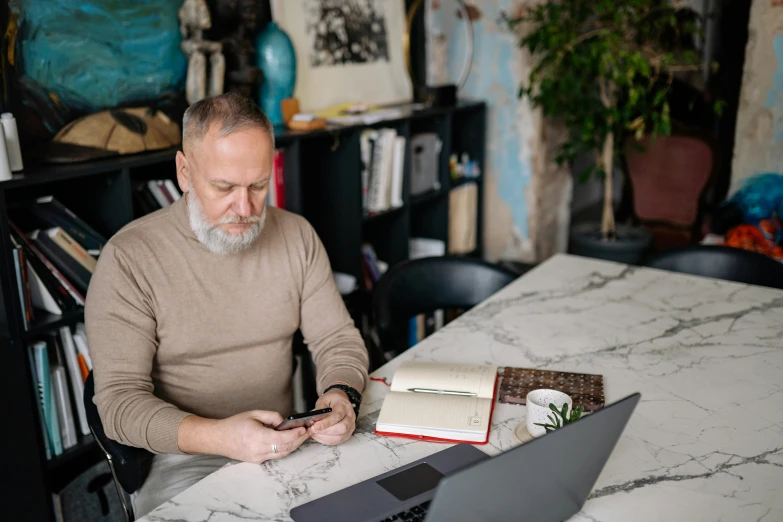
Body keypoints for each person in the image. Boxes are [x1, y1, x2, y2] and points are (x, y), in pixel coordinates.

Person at [85, 92, 370, 518]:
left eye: (258, 185)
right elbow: (119, 405)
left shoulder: (297, 236)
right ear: (184, 171)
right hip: (186, 457)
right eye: (224, 187)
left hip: (288, 437)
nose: (245, 208)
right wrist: (222, 438)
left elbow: (336, 338)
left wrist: (341, 393)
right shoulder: (129, 259)